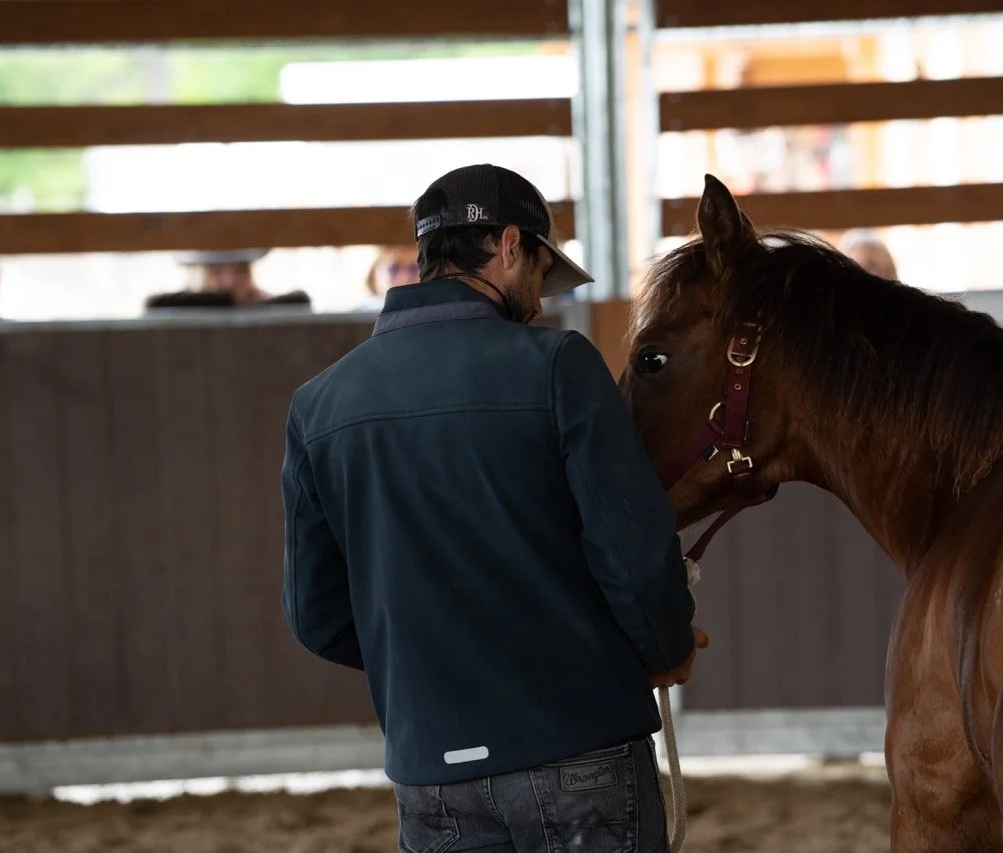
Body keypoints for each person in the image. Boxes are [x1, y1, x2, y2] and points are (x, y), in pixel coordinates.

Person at [281, 163, 707, 852]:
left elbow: (316, 613)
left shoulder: (319, 403)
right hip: (579, 744)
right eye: (540, 267)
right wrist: (668, 647)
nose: (539, 298)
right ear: (511, 246)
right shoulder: (557, 365)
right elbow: (633, 553)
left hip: (430, 771)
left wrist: (437, 661)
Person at [146, 248, 310, 310]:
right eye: (216, 272)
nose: (229, 281)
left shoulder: (276, 309)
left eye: (239, 270)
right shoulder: (179, 310)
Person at [356, 245, 420, 312]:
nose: (404, 278)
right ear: (373, 277)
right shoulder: (354, 318)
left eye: (414, 269)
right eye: (394, 269)